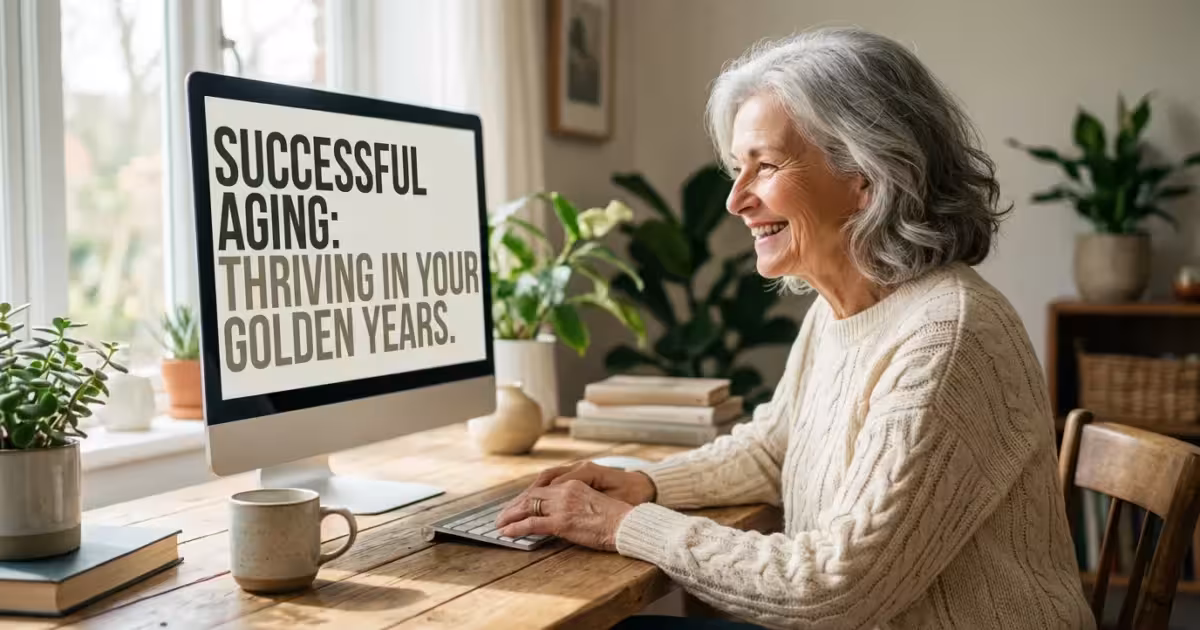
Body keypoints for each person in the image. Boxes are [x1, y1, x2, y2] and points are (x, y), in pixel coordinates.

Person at [495, 27, 1094, 630]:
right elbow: (771, 450)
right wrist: (643, 484)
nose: (735, 200)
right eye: (738, 168)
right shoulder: (839, 310)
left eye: (765, 166)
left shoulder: (948, 334)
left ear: (867, 176)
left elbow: (835, 587)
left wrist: (621, 525)